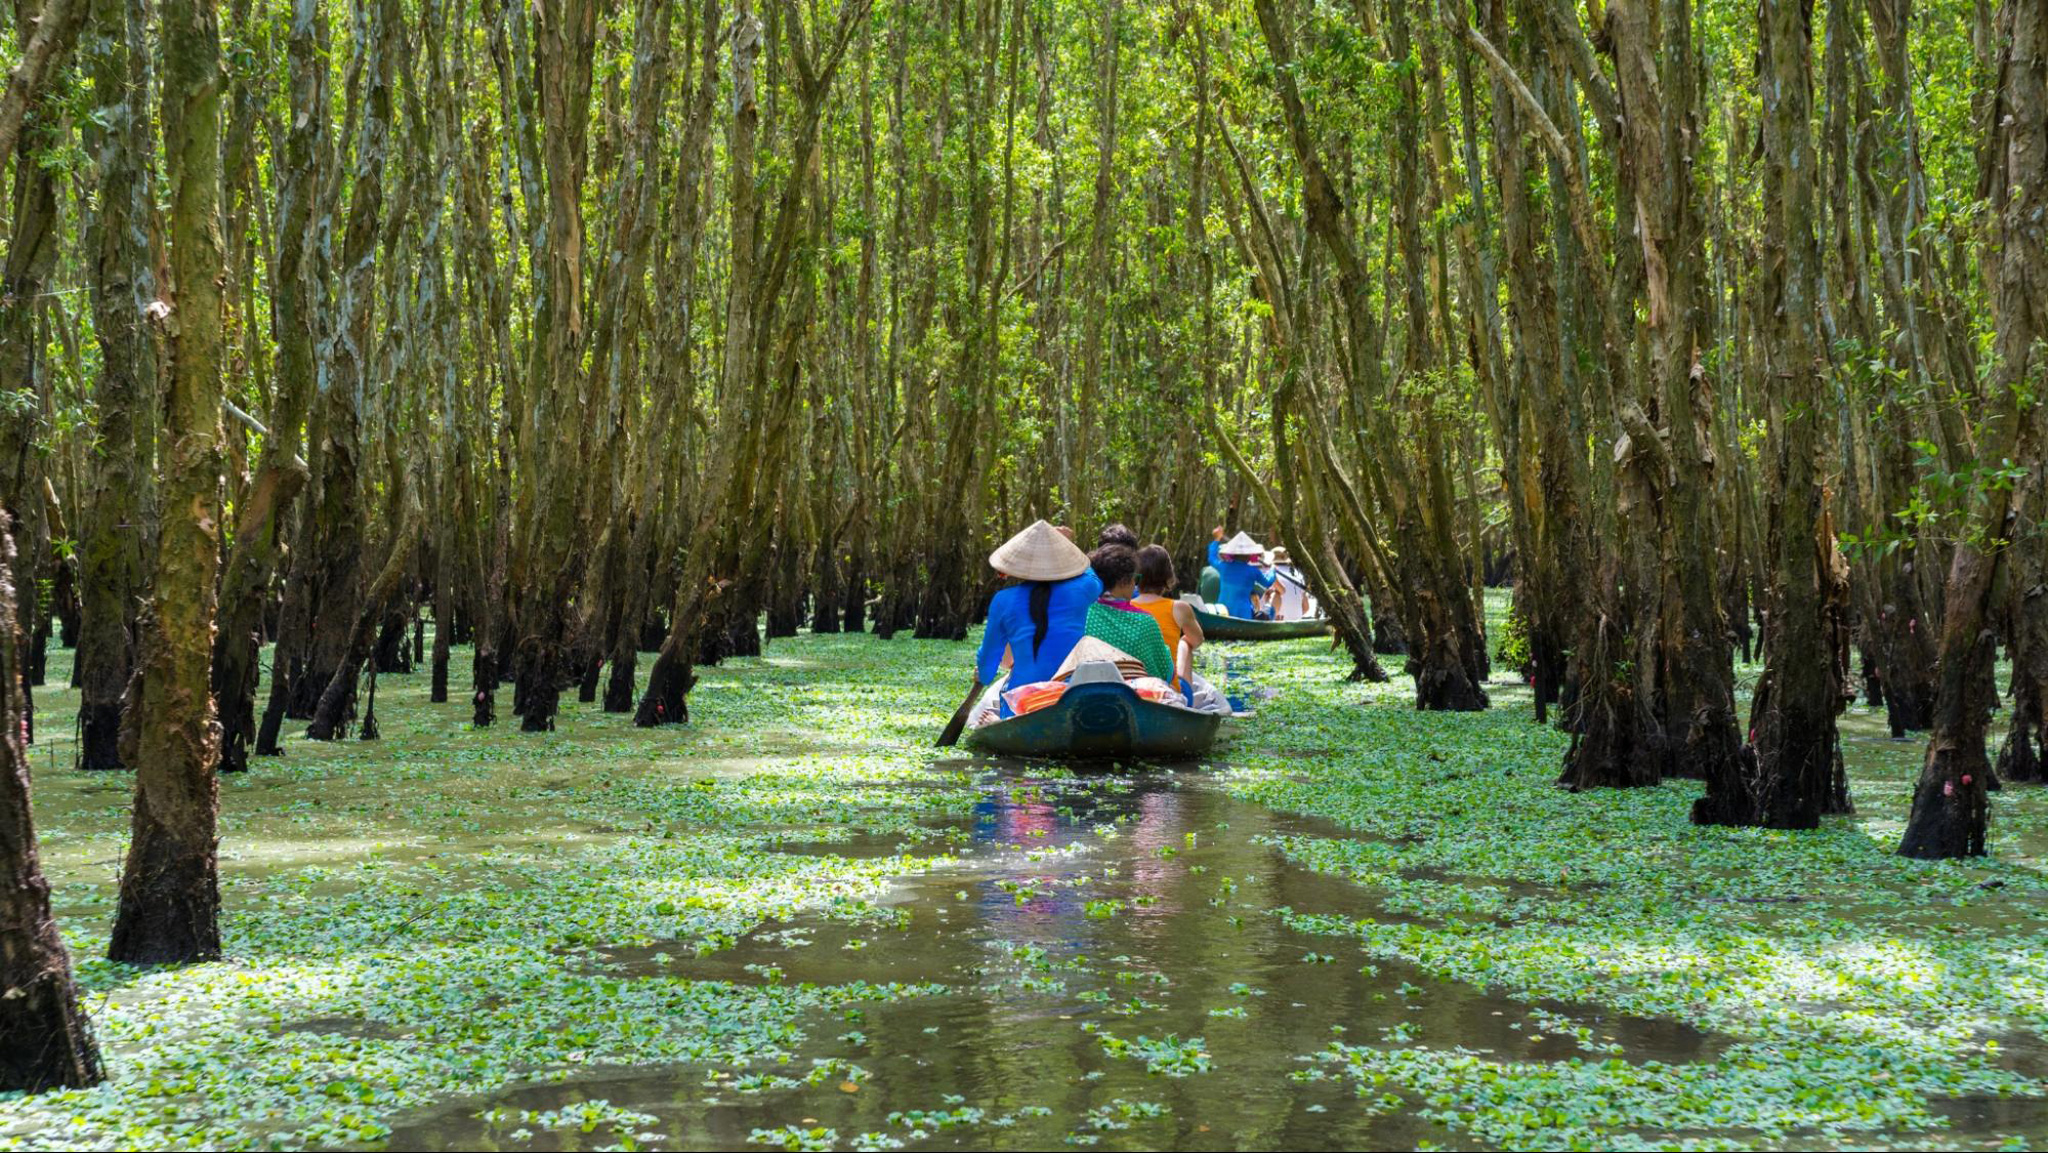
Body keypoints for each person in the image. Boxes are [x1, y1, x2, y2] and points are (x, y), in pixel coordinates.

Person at [974, 520, 1100, 717]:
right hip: (1072, 698)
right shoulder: (1083, 590)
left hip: (1021, 702)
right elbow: (1090, 574)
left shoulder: (1002, 600)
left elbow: (988, 665)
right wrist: (1067, 546)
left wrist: (982, 674)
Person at [1081, 544, 1175, 682]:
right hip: (1135, 696)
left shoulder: (1085, 613)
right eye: (1134, 579)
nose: (1135, 585)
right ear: (1123, 581)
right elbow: (1163, 671)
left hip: (1091, 687)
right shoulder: (1145, 621)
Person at [1131, 545, 1205, 687]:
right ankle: (1185, 703)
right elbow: (1197, 640)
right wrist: (1181, 641)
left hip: (1136, 687)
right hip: (1168, 691)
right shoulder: (1180, 608)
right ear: (1168, 577)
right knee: (1186, 643)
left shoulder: (1126, 606)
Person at [1214, 530, 1276, 618]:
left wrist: (1216, 540)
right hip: (1242, 612)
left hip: (1223, 610)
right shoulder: (1253, 570)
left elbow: (1212, 557)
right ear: (1249, 555)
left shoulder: (1223, 566)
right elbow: (1268, 582)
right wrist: (1272, 570)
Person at [1199, 526, 1224, 605]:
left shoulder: (1204, 570)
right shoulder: (1228, 569)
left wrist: (1217, 539)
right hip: (1222, 608)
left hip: (1206, 607)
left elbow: (1212, 557)